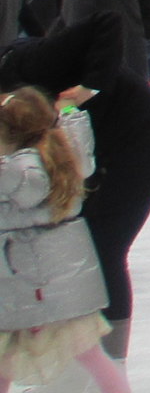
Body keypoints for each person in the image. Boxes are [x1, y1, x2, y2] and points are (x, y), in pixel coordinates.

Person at [0, 12, 150, 370]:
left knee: (104, 250)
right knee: (84, 247)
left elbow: (106, 21)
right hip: (104, 147)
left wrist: (91, 86)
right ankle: (85, 357)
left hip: (143, 145)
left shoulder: (29, 61)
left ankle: (110, 361)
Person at [0, 87, 130, 393]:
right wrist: (70, 110)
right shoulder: (64, 149)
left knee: (7, 356)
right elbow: (70, 125)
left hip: (35, 283)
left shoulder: (19, 171)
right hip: (59, 281)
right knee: (91, 355)